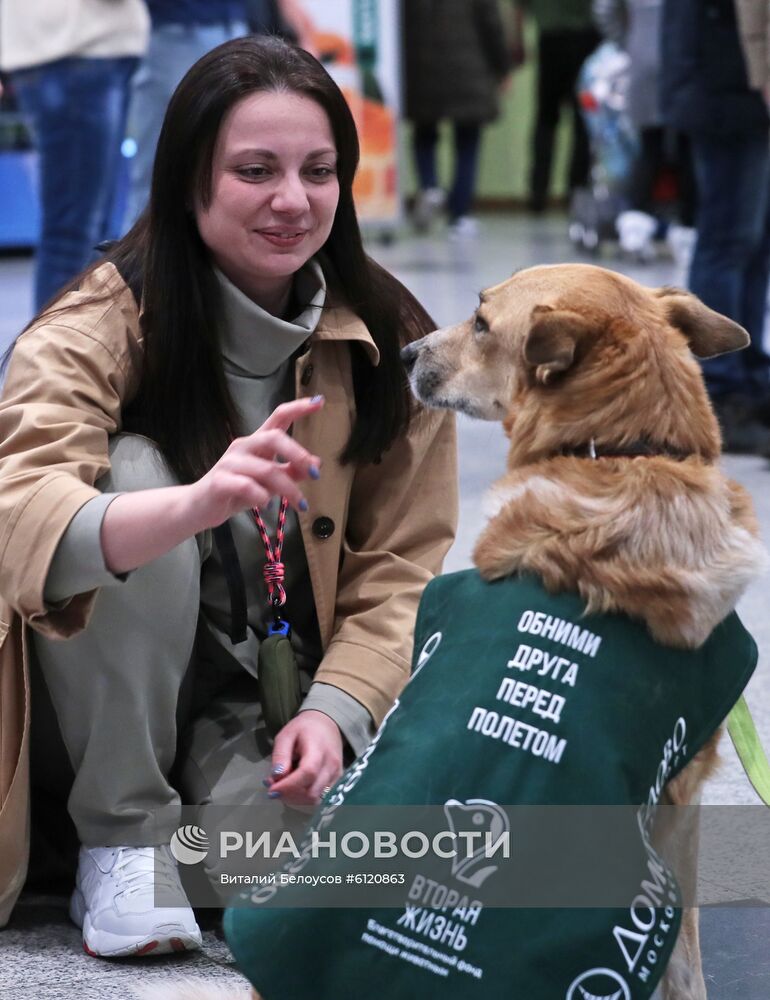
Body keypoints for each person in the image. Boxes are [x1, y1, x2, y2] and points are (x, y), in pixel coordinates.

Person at [0, 35, 458, 953]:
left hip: (257, 701)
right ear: (187, 182)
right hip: (87, 705)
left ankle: (133, 854)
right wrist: (194, 505)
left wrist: (336, 713)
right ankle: (122, 832)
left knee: (331, 869)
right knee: (133, 474)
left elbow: (403, 568)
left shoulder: (392, 341)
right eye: (256, 170)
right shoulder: (95, 320)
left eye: (319, 170)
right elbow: (20, 511)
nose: (293, 200)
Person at [661, 0, 770, 455]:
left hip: (731, 78)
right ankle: (721, 390)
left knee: (753, 243)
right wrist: (764, 72)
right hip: (729, 80)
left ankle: (747, 376)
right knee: (728, 240)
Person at [0, 0, 150, 311]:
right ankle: (50, 355)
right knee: (74, 237)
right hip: (76, 50)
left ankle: (72, 350)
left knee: (87, 235)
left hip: (76, 49)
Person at [593, 0, 696, 266]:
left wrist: (629, 43)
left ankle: (635, 229)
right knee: (684, 151)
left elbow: (604, 9)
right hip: (683, 63)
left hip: (645, 61)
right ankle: (687, 231)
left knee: (650, 149)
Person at [401, 0, 512, 238]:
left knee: (425, 133)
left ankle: (430, 187)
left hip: (423, 69)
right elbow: (491, 24)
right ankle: (459, 215)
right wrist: (503, 67)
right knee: (467, 143)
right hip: (470, 70)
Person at [512, 0, 600, 213]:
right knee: (582, 123)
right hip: (585, 38)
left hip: (552, 40)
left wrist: (517, 40)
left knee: (546, 119)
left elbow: (519, 7)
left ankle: (538, 193)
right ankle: (576, 192)